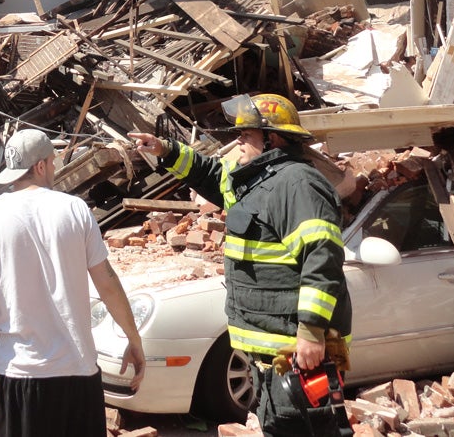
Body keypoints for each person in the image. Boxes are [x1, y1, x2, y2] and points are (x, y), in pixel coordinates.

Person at [129, 93, 352, 437]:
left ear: (272, 138)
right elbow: (209, 175)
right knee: (280, 426)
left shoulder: (297, 184)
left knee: (304, 428)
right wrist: (165, 150)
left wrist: (311, 332)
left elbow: (322, 259)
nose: (238, 140)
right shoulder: (257, 180)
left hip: (296, 348)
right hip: (270, 348)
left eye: (246, 134)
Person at [0, 128, 146, 437]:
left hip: (20, 374)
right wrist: (133, 339)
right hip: (78, 372)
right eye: (52, 162)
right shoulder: (75, 210)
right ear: (40, 166)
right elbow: (107, 282)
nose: (54, 168)